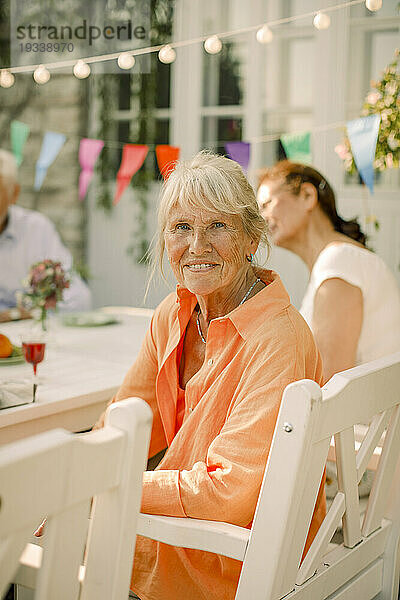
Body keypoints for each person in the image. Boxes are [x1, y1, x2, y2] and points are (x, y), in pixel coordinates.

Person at [95, 151, 326, 600]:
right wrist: (84, 468)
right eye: (181, 227)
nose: (196, 245)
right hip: (175, 537)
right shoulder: (173, 314)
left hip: (234, 561)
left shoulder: (276, 337)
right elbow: (124, 423)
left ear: (250, 238)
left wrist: (100, 483)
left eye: (218, 225)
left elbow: (227, 493)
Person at [257, 161, 400, 384]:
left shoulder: (339, 261)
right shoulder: (336, 262)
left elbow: (329, 383)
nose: (262, 217)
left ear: (307, 196)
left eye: (267, 204)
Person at [0, 149, 91, 321]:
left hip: (25, 337)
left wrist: (19, 313)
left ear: (14, 194)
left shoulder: (36, 228)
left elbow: (79, 298)